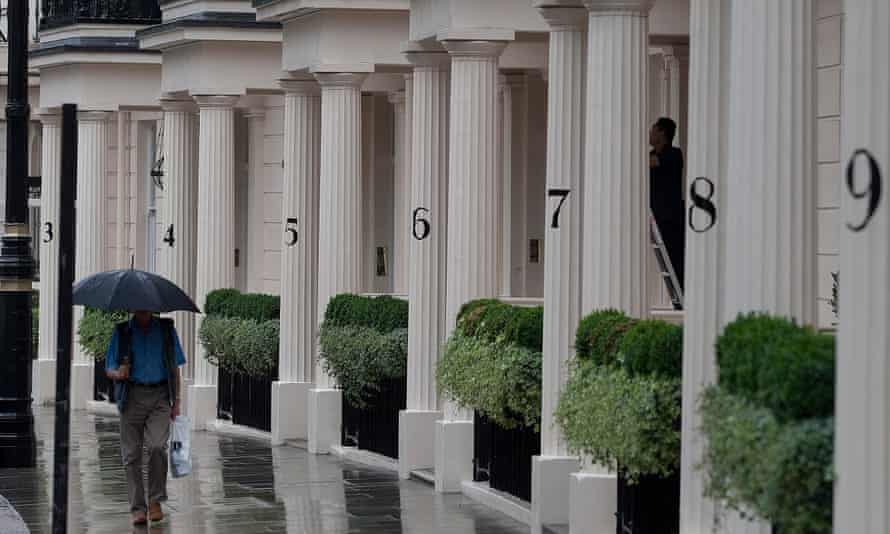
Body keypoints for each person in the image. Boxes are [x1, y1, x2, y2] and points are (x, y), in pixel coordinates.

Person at [105, 311, 186, 525]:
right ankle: (137, 508)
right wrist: (118, 374)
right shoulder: (122, 331)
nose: (143, 310)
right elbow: (108, 368)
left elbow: (175, 367)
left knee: (157, 447)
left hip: (160, 395)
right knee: (131, 455)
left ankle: (155, 500)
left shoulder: (166, 330)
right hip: (131, 396)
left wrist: (177, 400)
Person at [649, 117, 686, 297]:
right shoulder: (651, 155)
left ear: (662, 133)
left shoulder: (673, 154)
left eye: (653, 129)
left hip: (671, 217)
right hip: (655, 216)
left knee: (676, 261)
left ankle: (683, 296)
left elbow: (653, 162)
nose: (650, 132)